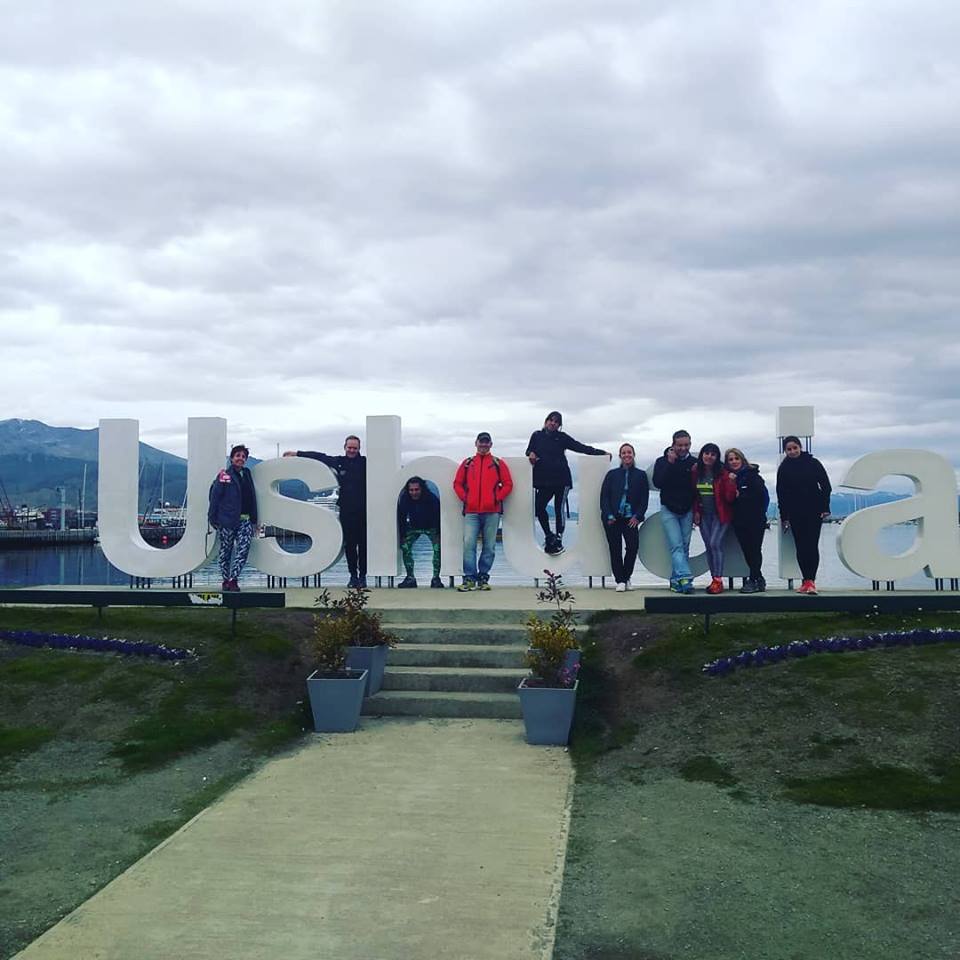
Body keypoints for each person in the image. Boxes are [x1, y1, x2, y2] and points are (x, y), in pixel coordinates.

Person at [284, 436, 367, 588]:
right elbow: (320, 457)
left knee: (363, 546)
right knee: (350, 545)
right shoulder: (339, 461)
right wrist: (297, 453)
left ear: (359, 448)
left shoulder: (365, 463)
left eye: (355, 448)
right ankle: (353, 576)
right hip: (347, 510)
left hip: (365, 511)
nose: (352, 450)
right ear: (344, 447)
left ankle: (363, 576)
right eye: (349, 447)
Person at [526, 411, 608, 555]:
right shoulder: (536, 435)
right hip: (543, 481)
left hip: (561, 479)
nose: (553, 423)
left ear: (559, 425)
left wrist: (601, 453)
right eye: (551, 420)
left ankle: (559, 537)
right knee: (539, 507)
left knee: (559, 509)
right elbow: (529, 450)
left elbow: (580, 447)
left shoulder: (562, 437)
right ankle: (548, 535)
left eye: (556, 422)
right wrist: (531, 453)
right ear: (546, 421)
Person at [453, 432, 514, 591]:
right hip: (471, 512)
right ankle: (469, 578)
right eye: (481, 442)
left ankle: (483, 578)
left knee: (489, 547)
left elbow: (508, 484)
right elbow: (457, 483)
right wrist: (465, 498)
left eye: (486, 442)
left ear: (491, 444)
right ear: (476, 443)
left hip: (492, 512)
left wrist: (496, 498)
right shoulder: (467, 463)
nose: (484, 445)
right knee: (469, 545)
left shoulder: (498, 463)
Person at [777, 436, 832, 595]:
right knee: (801, 547)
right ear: (785, 451)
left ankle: (811, 581)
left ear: (800, 447)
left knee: (811, 546)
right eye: (789, 449)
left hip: (814, 510)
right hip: (795, 512)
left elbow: (826, 485)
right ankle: (806, 581)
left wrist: (825, 507)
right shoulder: (784, 468)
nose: (792, 451)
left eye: (795, 448)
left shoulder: (813, 463)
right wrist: (784, 517)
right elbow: (781, 494)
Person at [207, 444, 258, 592]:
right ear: (231, 458)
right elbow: (215, 497)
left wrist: (254, 519)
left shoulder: (247, 474)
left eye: (243, 456)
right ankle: (225, 580)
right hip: (227, 520)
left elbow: (252, 497)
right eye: (238, 456)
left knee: (243, 549)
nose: (240, 458)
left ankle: (233, 579)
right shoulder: (224, 475)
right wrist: (212, 518)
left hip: (245, 520)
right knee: (226, 551)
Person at [599, 443, 649, 592]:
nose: (627, 455)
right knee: (615, 549)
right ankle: (620, 580)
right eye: (624, 453)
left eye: (629, 452)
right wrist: (608, 514)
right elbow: (604, 497)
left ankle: (627, 577)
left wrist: (638, 516)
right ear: (620, 456)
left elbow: (644, 499)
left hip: (630, 519)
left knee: (632, 547)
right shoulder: (612, 474)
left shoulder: (641, 475)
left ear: (633, 455)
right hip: (612, 519)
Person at [652, 430, 697, 594]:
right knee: (676, 546)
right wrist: (670, 464)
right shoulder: (662, 461)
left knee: (684, 546)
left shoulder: (694, 463)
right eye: (680, 445)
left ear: (690, 444)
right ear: (673, 445)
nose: (683, 448)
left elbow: (697, 488)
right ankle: (685, 579)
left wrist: (697, 510)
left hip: (687, 509)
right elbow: (658, 482)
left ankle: (675, 581)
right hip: (668, 509)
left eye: (686, 445)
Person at [691, 443, 737, 594]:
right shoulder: (696, 472)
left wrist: (731, 482)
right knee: (709, 547)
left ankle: (718, 579)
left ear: (717, 457)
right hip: (704, 515)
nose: (709, 457)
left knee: (715, 543)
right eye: (706, 453)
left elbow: (729, 498)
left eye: (713, 454)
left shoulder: (723, 474)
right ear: (702, 455)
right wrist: (696, 512)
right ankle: (714, 580)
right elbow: (695, 495)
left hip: (720, 515)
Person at [725, 447, 769, 594]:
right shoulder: (727, 478)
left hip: (755, 519)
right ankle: (759, 578)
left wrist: (741, 496)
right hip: (739, 520)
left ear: (742, 459)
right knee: (747, 551)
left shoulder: (753, 476)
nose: (734, 462)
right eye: (730, 459)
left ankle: (753, 580)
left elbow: (762, 497)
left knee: (755, 549)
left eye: (736, 458)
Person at [397, 476, 443, 589]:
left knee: (438, 549)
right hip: (413, 527)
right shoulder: (404, 499)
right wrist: (402, 535)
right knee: (405, 546)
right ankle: (410, 578)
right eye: (411, 490)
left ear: (422, 489)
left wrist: (438, 533)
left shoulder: (432, 499)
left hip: (431, 527)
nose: (414, 493)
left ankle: (436, 578)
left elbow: (439, 517)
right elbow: (401, 518)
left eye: (416, 490)